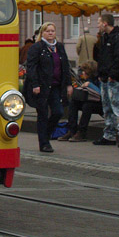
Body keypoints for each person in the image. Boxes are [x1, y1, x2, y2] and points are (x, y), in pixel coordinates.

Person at [24, 22, 73, 153]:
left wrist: (68, 84)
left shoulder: (59, 47)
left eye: (52, 31)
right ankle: (44, 143)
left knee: (58, 112)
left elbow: (65, 66)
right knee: (43, 115)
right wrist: (35, 84)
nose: (50, 33)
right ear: (42, 33)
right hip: (41, 86)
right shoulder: (37, 48)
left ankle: (46, 135)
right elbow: (31, 67)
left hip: (56, 86)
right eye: (47, 31)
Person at [93, 13, 119, 148]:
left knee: (117, 106)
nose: (97, 25)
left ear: (105, 23)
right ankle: (109, 134)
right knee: (107, 108)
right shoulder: (104, 38)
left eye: (99, 23)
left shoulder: (118, 38)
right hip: (105, 77)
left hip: (114, 78)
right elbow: (99, 57)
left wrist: (113, 74)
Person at [59, 60, 102, 142]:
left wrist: (89, 85)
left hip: (100, 104)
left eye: (84, 72)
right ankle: (72, 130)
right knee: (73, 102)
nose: (82, 74)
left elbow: (101, 93)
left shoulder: (99, 79)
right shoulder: (86, 79)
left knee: (87, 106)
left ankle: (82, 132)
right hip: (90, 100)